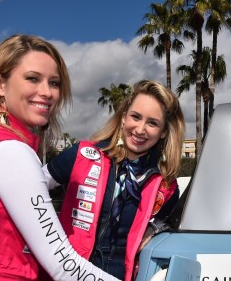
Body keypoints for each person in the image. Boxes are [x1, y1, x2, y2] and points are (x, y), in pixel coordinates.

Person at [0, 34, 120, 281]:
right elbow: (63, 265)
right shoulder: (10, 151)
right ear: (0, 84)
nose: (46, 92)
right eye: (32, 79)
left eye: (54, 83)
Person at [43, 80, 185, 281]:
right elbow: (32, 187)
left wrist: (153, 229)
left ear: (163, 132)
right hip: (67, 272)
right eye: (136, 117)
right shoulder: (82, 155)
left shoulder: (166, 186)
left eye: (152, 123)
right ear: (124, 117)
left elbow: (169, 220)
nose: (140, 129)